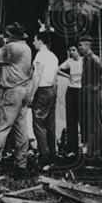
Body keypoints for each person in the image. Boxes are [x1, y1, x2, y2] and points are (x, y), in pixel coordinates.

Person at [0, 22, 33, 171]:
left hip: (10, 91)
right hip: (23, 90)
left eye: (7, 36)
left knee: (1, 127)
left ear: (11, 36)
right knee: (21, 129)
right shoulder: (27, 48)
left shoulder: (11, 47)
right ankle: (21, 163)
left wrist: (3, 45)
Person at [28, 31, 59, 166]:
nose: (33, 43)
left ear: (40, 40)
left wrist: (31, 94)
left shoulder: (40, 56)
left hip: (42, 89)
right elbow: (55, 77)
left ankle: (44, 156)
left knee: (39, 123)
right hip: (52, 88)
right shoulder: (53, 56)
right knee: (50, 124)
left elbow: (37, 76)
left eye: (35, 40)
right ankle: (53, 153)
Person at [77, 36, 102, 159]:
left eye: (81, 45)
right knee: (88, 121)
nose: (79, 48)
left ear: (88, 45)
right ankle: (91, 149)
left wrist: (96, 87)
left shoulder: (94, 59)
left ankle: (97, 150)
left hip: (93, 94)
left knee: (95, 122)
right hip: (87, 94)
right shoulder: (85, 59)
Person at [58, 45, 83, 156]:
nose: (72, 52)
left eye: (74, 50)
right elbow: (58, 69)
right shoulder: (69, 61)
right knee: (71, 119)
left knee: (82, 118)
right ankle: (72, 148)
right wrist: (67, 77)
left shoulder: (84, 61)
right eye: (70, 50)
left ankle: (83, 145)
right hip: (71, 90)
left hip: (81, 90)